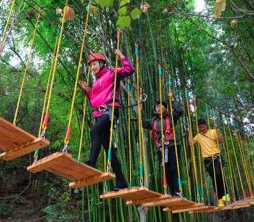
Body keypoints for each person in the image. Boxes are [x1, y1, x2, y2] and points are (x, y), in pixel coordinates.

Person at [78, 49, 134, 191]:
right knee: (108, 148)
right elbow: (95, 101)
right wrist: (87, 90)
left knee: (95, 131)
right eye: (91, 65)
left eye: (95, 64)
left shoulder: (112, 73)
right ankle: (121, 181)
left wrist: (121, 56)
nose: (93, 67)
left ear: (102, 63)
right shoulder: (96, 83)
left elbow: (129, 69)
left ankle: (91, 163)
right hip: (100, 114)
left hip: (110, 111)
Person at [142, 100, 183, 197]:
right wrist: (140, 110)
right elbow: (144, 123)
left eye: (160, 106)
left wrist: (172, 100)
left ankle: (177, 190)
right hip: (161, 148)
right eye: (156, 107)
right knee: (167, 170)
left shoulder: (171, 117)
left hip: (172, 146)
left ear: (165, 108)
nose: (158, 108)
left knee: (174, 169)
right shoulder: (153, 121)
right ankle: (173, 192)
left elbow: (180, 111)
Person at [190, 118, 229, 206]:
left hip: (216, 157)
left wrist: (217, 130)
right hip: (207, 161)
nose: (201, 129)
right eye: (199, 127)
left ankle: (225, 195)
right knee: (214, 179)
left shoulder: (213, 131)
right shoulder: (198, 136)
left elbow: (221, 141)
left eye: (203, 127)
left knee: (218, 175)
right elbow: (191, 143)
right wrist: (189, 130)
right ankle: (220, 199)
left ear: (206, 125)